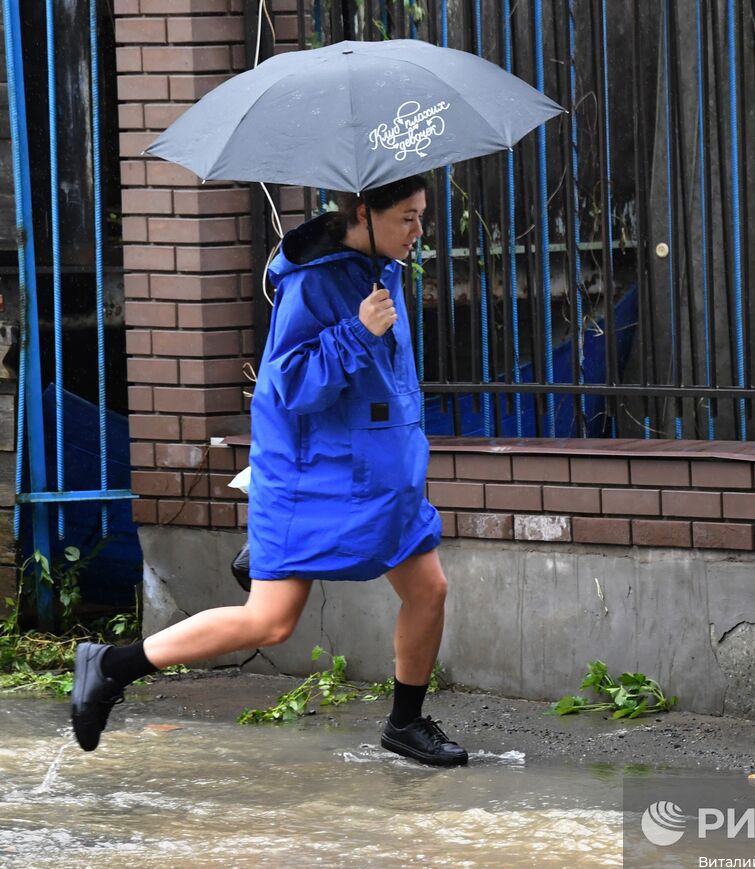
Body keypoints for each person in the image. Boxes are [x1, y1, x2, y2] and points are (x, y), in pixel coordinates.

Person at [70, 174, 467, 766]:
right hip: (315, 478)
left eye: (421, 216)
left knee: (429, 589)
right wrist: (360, 330)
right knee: (271, 623)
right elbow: (294, 387)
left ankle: (405, 723)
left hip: (377, 476)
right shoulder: (312, 281)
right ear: (364, 212)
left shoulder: (382, 268)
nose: (418, 231)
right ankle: (111, 664)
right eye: (407, 217)